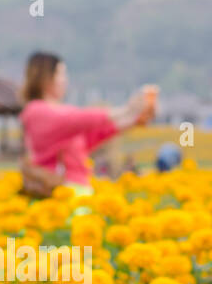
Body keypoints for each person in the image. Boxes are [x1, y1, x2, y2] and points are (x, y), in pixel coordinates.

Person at [18, 51, 152, 198]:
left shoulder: (59, 117)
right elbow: (79, 119)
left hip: (76, 188)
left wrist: (133, 120)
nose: (65, 80)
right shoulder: (36, 111)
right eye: (60, 74)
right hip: (61, 191)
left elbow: (88, 138)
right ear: (45, 78)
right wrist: (126, 110)